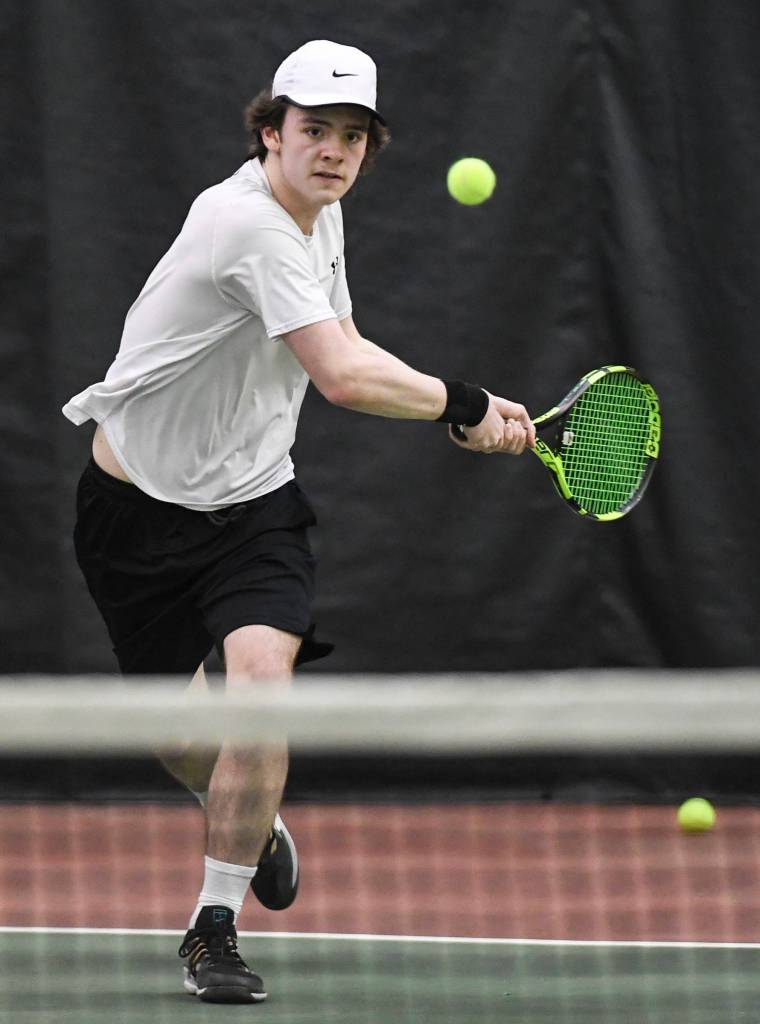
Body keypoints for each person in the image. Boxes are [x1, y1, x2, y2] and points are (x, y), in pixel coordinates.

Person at [62, 39, 535, 1004]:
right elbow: (342, 376)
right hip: (133, 517)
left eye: (353, 136)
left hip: (255, 508)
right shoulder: (246, 225)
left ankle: (214, 924)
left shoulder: (322, 218)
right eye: (314, 130)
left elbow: (347, 340)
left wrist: (452, 408)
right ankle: (253, 817)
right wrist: (462, 401)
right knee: (181, 740)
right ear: (270, 132)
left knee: (261, 695)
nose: (334, 151)